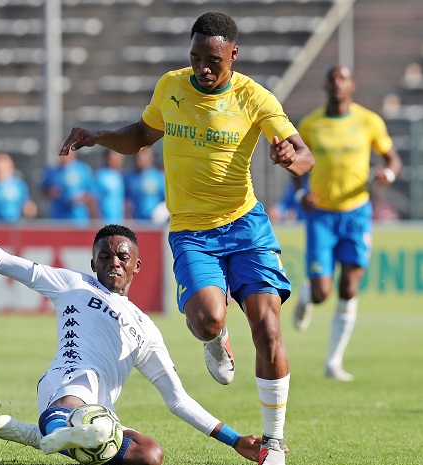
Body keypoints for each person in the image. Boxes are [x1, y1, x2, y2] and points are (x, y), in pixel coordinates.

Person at [58, 12, 315, 464]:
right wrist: (97, 136)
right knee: (207, 321)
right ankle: (216, 341)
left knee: (269, 328)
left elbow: (304, 155)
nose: (202, 68)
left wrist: (288, 157)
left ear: (233, 54)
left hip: (245, 226)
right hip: (192, 231)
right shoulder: (171, 87)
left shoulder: (254, 97)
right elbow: (140, 136)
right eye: (195, 57)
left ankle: (273, 442)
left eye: (212, 60)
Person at [0, 170, 266, 465]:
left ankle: (44, 436)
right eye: (105, 256)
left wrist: (234, 440)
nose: (114, 261)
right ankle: (58, 427)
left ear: (136, 266)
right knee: (75, 403)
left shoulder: (146, 329)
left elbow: (178, 400)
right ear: (92, 263)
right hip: (64, 383)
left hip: (102, 414)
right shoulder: (72, 284)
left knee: (151, 455)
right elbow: (0, 260)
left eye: (123, 257)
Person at [293, 65, 403, 381]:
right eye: (333, 79)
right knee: (322, 292)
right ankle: (307, 294)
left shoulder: (368, 121)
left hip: (356, 212)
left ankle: (333, 362)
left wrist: (389, 174)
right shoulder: (312, 124)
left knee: (350, 285)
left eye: (344, 79)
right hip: (322, 216)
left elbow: (393, 157)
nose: (338, 84)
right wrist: (302, 195)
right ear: (326, 86)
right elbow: (295, 166)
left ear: (352, 85)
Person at [41, 147, 94, 224]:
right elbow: (43, 190)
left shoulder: (83, 170)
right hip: (57, 219)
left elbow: (91, 194)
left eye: (66, 152)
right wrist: (50, 192)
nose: (64, 155)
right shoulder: (52, 171)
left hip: (78, 220)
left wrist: (80, 200)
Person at [123, 148, 166, 222]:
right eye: (140, 157)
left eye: (146, 156)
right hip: (136, 222)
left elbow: (166, 199)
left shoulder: (158, 176)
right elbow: (125, 199)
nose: (142, 160)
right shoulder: (129, 177)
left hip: (155, 222)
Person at [93, 149, 126, 223]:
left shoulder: (120, 176)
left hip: (119, 223)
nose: (118, 159)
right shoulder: (100, 175)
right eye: (115, 156)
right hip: (104, 223)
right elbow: (93, 199)